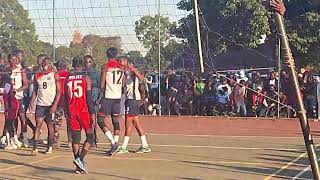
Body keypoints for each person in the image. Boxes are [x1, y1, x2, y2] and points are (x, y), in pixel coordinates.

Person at [65, 58, 95, 174]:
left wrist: (67, 112)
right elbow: (88, 97)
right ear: (82, 66)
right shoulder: (86, 78)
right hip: (84, 111)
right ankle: (80, 159)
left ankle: (79, 167)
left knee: (76, 139)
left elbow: (66, 98)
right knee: (90, 137)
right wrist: (92, 113)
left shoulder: (67, 78)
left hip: (72, 111)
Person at [116, 56, 151, 154]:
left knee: (128, 124)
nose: (119, 62)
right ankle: (145, 145)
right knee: (136, 124)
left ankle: (124, 147)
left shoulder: (133, 71)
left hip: (133, 100)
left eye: (121, 61)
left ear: (127, 62)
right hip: (129, 100)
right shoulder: (124, 72)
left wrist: (134, 70)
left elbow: (142, 78)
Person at [30, 57, 60, 155]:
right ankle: (35, 147)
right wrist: (32, 101)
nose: (44, 65)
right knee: (38, 124)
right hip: (40, 104)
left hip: (50, 104)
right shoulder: (37, 76)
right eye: (43, 63)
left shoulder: (54, 75)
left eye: (46, 63)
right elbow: (35, 90)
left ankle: (50, 146)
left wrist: (55, 105)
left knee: (50, 125)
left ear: (50, 65)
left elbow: (59, 92)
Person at [96, 47, 122, 156]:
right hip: (118, 97)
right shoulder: (122, 67)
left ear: (107, 54)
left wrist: (99, 97)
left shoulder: (105, 67)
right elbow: (124, 83)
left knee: (100, 120)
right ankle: (114, 145)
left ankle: (113, 143)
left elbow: (102, 84)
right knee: (115, 121)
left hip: (108, 97)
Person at [7, 54, 29, 147]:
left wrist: (18, 90)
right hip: (9, 98)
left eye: (16, 59)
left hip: (19, 98)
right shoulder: (6, 71)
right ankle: (13, 138)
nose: (14, 61)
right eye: (12, 59)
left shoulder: (21, 71)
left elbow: (26, 85)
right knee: (12, 118)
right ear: (9, 60)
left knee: (22, 117)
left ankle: (24, 137)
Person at [0, 73, 20, 150]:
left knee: (9, 123)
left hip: (11, 105)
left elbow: (6, 91)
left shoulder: (7, 82)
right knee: (9, 123)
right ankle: (10, 142)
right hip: (8, 105)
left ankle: (11, 142)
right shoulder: (5, 82)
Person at [54, 60, 71, 147]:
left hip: (58, 102)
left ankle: (57, 141)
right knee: (70, 122)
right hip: (68, 102)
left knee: (57, 122)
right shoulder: (69, 75)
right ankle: (70, 141)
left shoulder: (56, 75)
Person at [84, 55, 100, 147]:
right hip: (84, 100)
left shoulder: (97, 73)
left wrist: (99, 98)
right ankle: (89, 137)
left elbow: (101, 86)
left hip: (94, 100)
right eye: (86, 62)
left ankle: (93, 138)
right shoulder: (82, 73)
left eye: (89, 62)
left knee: (93, 120)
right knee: (86, 120)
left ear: (92, 62)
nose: (87, 64)